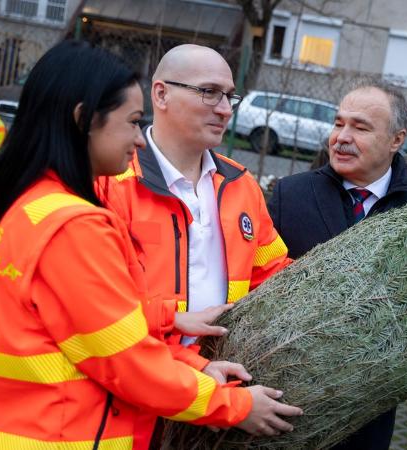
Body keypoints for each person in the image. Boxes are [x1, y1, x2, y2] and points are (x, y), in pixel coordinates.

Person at [0, 40, 302, 450]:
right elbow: (125, 361)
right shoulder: (77, 221)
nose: (139, 139)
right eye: (132, 122)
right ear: (85, 120)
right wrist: (234, 405)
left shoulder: (21, 202)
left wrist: (171, 323)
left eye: (229, 96)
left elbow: (84, 320)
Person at [97, 43, 291, 446]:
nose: (225, 108)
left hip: (216, 397)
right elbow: (99, 317)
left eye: (229, 95)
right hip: (127, 404)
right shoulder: (112, 183)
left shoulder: (242, 185)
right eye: (209, 92)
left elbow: (275, 277)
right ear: (161, 93)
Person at [267, 79, 407, 450]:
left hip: (366, 414)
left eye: (360, 127)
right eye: (339, 123)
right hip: (285, 403)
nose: (342, 136)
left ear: (396, 140)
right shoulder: (291, 194)